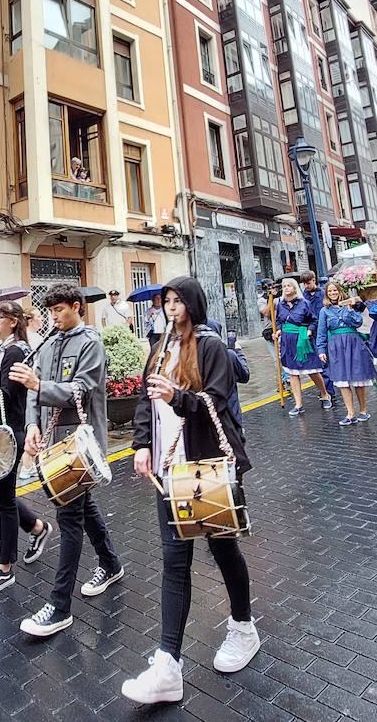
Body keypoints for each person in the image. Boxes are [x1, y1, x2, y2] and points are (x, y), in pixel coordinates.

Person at [124, 276, 257, 704]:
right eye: (167, 300)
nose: (170, 307)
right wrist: (142, 444)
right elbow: (146, 401)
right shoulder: (159, 348)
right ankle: (168, 664)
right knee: (174, 560)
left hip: (206, 466)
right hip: (168, 469)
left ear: (193, 305)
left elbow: (215, 404)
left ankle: (243, 626)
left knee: (223, 549)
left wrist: (179, 396)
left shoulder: (211, 346)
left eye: (178, 300)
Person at [13, 284, 124, 638]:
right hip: (53, 442)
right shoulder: (49, 342)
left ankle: (60, 607)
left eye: (60, 310)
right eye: (51, 311)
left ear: (76, 307)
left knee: (69, 517)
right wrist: (32, 424)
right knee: (81, 507)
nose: (55, 317)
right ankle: (110, 564)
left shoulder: (90, 343)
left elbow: (81, 389)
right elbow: (35, 391)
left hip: (80, 444)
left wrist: (38, 386)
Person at [0, 300, 50, 598]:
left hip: (9, 435)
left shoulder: (16, 352)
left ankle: (5, 569)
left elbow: (6, 395)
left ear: (13, 322)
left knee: (2, 499)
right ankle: (37, 528)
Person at [316, 283, 373, 426]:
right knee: (342, 381)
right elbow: (321, 332)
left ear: (340, 291)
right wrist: (321, 350)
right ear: (326, 294)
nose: (333, 293)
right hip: (336, 346)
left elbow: (358, 322)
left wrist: (349, 309)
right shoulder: (325, 311)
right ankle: (350, 413)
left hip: (354, 343)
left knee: (358, 377)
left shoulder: (350, 305)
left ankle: (363, 410)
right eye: (330, 291)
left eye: (335, 290)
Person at [275, 278, 332, 416]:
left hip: (302, 339)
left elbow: (313, 320)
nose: (286, 288)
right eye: (284, 286)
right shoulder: (280, 304)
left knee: (312, 370)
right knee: (293, 372)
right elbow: (278, 320)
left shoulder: (304, 303)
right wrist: (278, 329)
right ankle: (298, 404)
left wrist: (309, 330)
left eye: (289, 286)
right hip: (287, 341)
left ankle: (325, 394)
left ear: (295, 288)